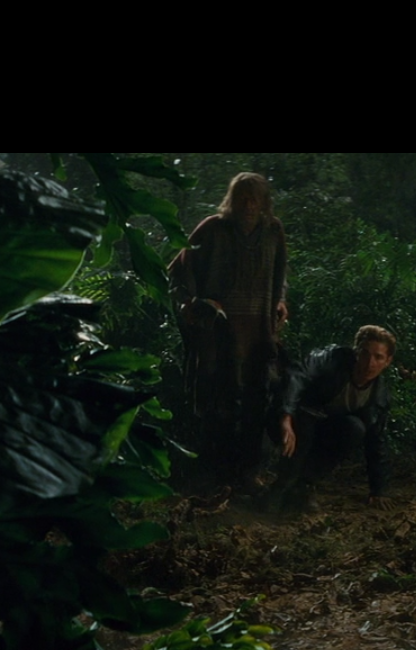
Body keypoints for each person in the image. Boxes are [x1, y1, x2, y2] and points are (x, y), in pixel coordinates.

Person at [169, 172, 289, 486]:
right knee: (218, 399)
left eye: (255, 199)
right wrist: (194, 303)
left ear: (263, 202)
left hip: (259, 329)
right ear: (233, 200)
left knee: (256, 398)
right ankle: (213, 471)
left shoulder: (273, 230)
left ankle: (248, 471)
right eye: (243, 199)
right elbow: (179, 269)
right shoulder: (213, 228)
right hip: (218, 332)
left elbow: (280, 273)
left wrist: (279, 300)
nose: (249, 206)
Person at [265, 325, 397, 513]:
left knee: (355, 428)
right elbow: (297, 375)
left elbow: (377, 439)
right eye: (365, 354)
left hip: (324, 431)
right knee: (305, 422)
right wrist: (286, 416)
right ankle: (280, 488)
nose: (370, 363)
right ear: (356, 352)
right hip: (292, 420)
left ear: (387, 361)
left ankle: (304, 486)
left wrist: (379, 490)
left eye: (378, 357)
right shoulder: (331, 358)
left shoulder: (378, 396)